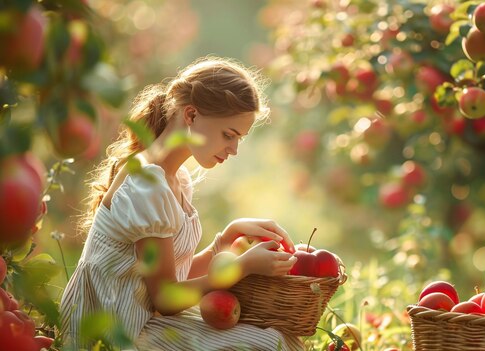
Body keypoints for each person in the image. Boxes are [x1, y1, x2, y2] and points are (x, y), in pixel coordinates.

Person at [59, 56, 304, 351]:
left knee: (279, 336)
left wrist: (224, 241)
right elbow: (166, 299)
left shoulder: (176, 179)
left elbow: (176, 276)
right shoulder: (148, 183)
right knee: (268, 344)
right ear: (190, 116)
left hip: (142, 319)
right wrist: (242, 268)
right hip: (117, 332)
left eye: (239, 138)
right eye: (229, 135)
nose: (234, 149)